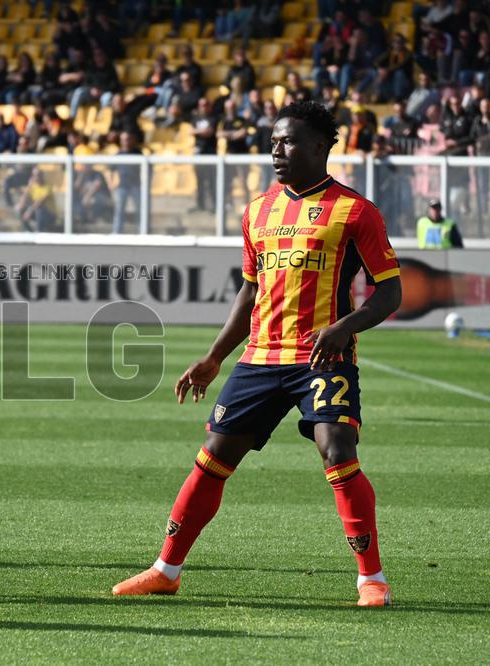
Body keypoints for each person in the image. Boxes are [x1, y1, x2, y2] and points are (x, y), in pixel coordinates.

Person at [112, 101, 403, 607]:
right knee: (212, 459)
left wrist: (343, 328)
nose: (276, 150)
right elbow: (249, 293)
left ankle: (371, 579)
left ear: (321, 145)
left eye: (288, 141)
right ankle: (166, 569)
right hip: (261, 357)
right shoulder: (258, 211)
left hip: (321, 358)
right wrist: (214, 357)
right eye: (273, 141)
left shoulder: (356, 211)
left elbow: (389, 293)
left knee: (338, 451)